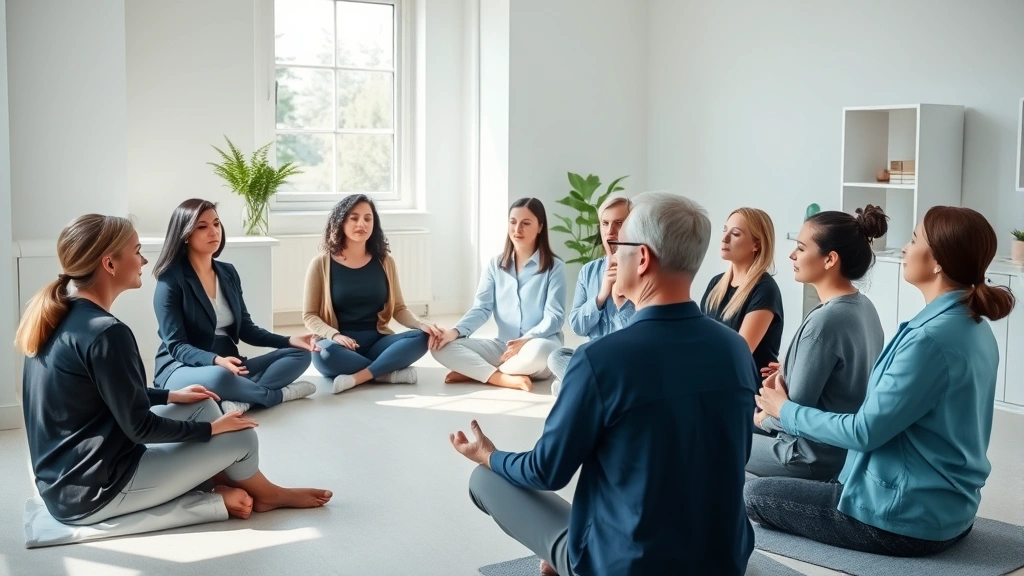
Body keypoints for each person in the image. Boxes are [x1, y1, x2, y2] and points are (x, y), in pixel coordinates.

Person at [450, 192, 758, 576]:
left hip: (626, 565)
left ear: (642, 258)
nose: (612, 253)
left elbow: (546, 472)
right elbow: (735, 457)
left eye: (620, 244)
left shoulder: (601, 360)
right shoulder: (735, 350)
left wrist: (489, 455)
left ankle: (567, 556)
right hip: (723, 560)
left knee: (485, 479)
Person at [16, 214, 332, 531]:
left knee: (202, 404)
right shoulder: (106, 333)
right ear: (110, 264)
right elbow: (139, 428)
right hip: (94, 492)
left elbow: (105, 394)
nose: (143, 259)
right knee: (242, 438)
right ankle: (268, 495)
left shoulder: (62, 315)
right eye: (136, 250)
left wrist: (168, 394)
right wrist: (211, 431)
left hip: (67, 483)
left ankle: (219, 481)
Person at [748, 206, 1016, 557]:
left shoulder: (928, 340)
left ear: (937, 262)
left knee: (754, 496)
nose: (904, 248)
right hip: (951, 511)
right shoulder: (973, 326)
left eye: (914, 239)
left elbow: (864, 432)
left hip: (904, 520)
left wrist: (783, 409)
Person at [746, 206, 888, 481]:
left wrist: (761, 416)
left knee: (713, 436)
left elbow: (787, 415)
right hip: (845, 450)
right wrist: (791, 369)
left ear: (829, 259)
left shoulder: (825, 322)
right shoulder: (864, 307)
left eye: (800, 248)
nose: (792, 255)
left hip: (808, 455)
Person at [152, 199, 319, 414]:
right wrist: (215, 360)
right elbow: (176, 346)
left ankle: (244, 398)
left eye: (216, 223)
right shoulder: (170, 280)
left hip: (231, 364)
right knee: (219, 376)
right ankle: (276, 395)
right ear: (185, 235)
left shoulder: (228, 273)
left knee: (300, 354)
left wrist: (288, 340)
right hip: (182, 367)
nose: (213, 231)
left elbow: (246, 329)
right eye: (202, 227)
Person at [302, 194, 443, 394]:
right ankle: (384, 371)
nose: (362, 223)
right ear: (341, 221)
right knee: (325, 355)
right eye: (354, 218)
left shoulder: (385, 262)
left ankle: (360, 376)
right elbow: (309, 315)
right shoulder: (321, 263)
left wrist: (422, 324)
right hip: (339, 344)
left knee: (422, 337)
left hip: (377, 342)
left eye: (368, 218)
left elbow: (399, 309)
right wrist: (334, 335)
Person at [432, 198, 566, 392]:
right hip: (503, 347)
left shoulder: (555, 267)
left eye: (525, 223)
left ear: (540, 227)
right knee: (440, 347)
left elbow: (554, 317)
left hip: (537, 344)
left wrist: (527, 339)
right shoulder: (496, 265)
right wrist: (454, 332)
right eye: (513, 222)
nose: (517, 229)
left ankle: (478, 372)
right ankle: (503, 378)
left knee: (542, 352)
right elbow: (481, 308)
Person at [546, 194, 635, 396]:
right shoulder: (588, 271)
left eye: (618, 223)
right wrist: (601, 296)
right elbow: (577, 325)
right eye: (605, 223)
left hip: (627, 364)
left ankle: (574, 390)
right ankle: (592, 391)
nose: (610, 231)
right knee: (556, 356)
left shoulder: (642, 271)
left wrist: (620, 300)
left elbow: (643, 333)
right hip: (595, 361)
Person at [700, 207, 784, 371]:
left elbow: (739, 354)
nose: (724, 238)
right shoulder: (716, 283)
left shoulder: (765, 290)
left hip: (747, 388)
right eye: (725, 230)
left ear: (756, 244)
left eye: (735, 234)